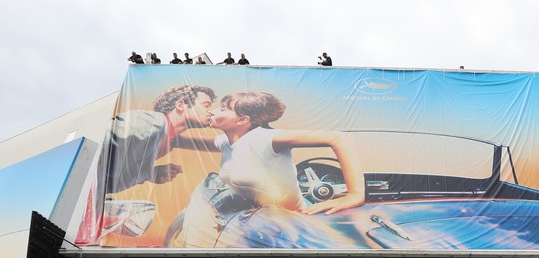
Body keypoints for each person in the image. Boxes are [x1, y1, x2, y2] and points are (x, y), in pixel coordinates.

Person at [167, 90, 365, 247]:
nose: (214, 111)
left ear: (243, 120)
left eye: (223, 109)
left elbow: (340, 138)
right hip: (260, 224)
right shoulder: (225, 142)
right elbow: (178, 139)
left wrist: (355, 194)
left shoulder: (265, 138)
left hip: (294, 228)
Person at [76, 83, 217, 246]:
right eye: (206, 105)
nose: (210, 111)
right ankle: (91, 222)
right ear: (181, 105)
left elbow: (213, 143)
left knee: (144, 213)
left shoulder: (170, 137)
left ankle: (96, 220)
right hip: (87, 187)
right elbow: (106, 137)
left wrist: (150, 173)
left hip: (99, 193)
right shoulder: (153, 123)